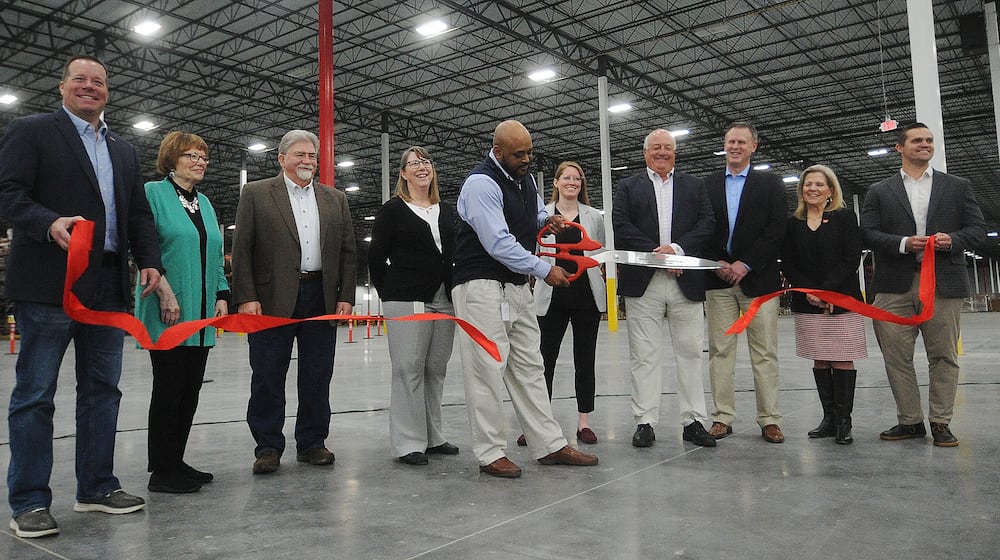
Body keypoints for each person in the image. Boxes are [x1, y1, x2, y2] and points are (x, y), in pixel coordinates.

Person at [0, 55, 162, 538]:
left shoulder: (123, 150)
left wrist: (150, 260)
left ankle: (96, 488)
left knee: (103, 391)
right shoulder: (32, 131)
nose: (89, 86)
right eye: (80, 79)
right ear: (62, 86)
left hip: (107, 285)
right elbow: (7, 191)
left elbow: (137, 214)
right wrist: (47, 221)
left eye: (99, 81)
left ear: (107, 92)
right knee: (36, 394)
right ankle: (30, 501)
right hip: (49, 282)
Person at [452, 120, 598, 478]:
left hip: (516, 286)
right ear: (498, 151)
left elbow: (531, 215)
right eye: (519, 154)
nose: (527, 159)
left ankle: (549, 444)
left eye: (530, 152)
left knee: (531, 367)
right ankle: (490, 452)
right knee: (487, 370)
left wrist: (547, 220)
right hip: (481, 286)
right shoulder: (481, 184)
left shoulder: (526, 180)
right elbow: (498, 242)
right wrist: (544, 269)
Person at [231, 129, 357, 474]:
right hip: (270, 299)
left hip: (321, 297)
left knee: (318, 374)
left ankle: (312, 443)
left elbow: (348, 252)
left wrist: (346, 295)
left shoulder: (335, 199)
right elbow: (242, 250)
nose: (307, 161)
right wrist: (246, 296)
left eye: (312, 155)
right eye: (300, 154)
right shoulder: (256, 194)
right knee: (268, 374)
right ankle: (268, 447)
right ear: (282, 158)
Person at [860, 122, 985, 447]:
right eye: (917, 140)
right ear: (900, 147)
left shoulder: (957, 186)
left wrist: (952, 240)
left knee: (943, 355)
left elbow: (976, 229)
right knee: (896, 356)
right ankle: (910, 421)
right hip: (893, 286)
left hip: (943, 284)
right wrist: (903, 243)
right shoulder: (879, 190)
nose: (925, 144)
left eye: (929, 140)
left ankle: (941, 422)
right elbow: (868, 233)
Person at [134, 131, 229, 492]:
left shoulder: (204, 203)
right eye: (192, 156)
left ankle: (176, 460)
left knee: (190, 390)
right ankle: (161, 470)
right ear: (171, 159)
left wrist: (222, 293)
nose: (200, 162)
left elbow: (216, 253)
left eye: (204, 157)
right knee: (169, 388)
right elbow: (141, 245)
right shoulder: (153, 193)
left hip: (201, 312)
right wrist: (163, 289)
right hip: (167, 307)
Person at [612, 130, 716, 448]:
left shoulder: (694, 186)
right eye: (655, 147)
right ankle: (645, 421)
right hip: (644, 282)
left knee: (690, 352)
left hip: (686, 280)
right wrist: (658, 255)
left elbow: (707, 223)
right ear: (645, 153)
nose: (661, 152)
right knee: (644, 355)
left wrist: (677, 250)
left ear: (675, 153)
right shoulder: (627, 186)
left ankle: (693, 421)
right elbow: (620, 225)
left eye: (667, 148)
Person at [369, 146, 459, 466]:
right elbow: (376, 258)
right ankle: (408, 442)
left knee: (435, 369)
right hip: (406, 298)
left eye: (426, 162)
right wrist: (390, 294)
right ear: (403, 173)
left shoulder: (445, 210)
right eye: (414, 163)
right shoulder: (393, 210)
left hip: (444, 299)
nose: (422, 167)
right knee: (409, 370)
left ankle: (433, 436)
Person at [703, 122, 787, 443]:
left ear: (754, 146)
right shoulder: (708, 184)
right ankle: (722, 416)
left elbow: (776, 229)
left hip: (759, 281)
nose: (735, 146)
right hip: (719, 281)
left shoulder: (770, 183)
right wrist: (718, 263)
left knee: (764, 352)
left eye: (741, 142)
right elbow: (703, 227)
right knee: (720, 350)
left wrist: (747, 263)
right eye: (730, 141)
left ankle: (770, 419)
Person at [782, 165, 865, 445]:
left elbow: (851, 258)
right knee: (820, 357)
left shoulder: (844, 217)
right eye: (808, 184)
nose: (813, 189)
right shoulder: (793, 222)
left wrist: (827, 291)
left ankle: (844, 421)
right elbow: (788, 262)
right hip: (807, 301)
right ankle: (828, 419)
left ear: (830, 190)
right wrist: (809, 291)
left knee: (842, 357)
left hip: (841, 298)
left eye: (819, 184)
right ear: (801, 190)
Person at [533, 161, 607, 444]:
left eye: (577, 178)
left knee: (585, 360)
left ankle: (583, 422)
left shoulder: (593, 216)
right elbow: (536, 251)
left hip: (586, 296)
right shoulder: (543, 216)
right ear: (556, 182)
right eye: (566, 178)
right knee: (543, 361)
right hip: (551, 295)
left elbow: (599, 251)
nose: (572, 183)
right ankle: (539, 422)